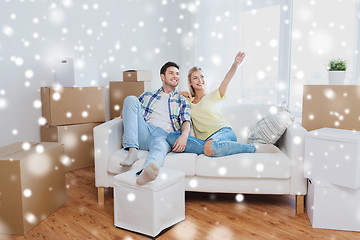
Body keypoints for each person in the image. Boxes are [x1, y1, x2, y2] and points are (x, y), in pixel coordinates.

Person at [167, 51, 278, 157]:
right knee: (171, 137)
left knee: (210, 146)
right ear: (190, 82)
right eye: (195, 78)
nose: (200, 80)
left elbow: (226, 80)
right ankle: (210, 149)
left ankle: (253, 148)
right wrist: (177, 93)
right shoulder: (188, 102)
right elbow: (167, 98)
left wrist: (235, 64)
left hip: (224, 132)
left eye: (202, 77)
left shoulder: (213, 95)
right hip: (205, 141)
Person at [121, 62, 191, 185]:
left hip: (164, 135)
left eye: (177, 74)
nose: (175, 76)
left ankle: (145, 173)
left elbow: (186, 120)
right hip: (145, 130)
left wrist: (184, 135)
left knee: (159, 148)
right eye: (171, 73)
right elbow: (130, 110)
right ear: (162, 76)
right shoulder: (148, 94)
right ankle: (132, 150)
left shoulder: (182, 100)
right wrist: (127, 110)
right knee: (130, 99)